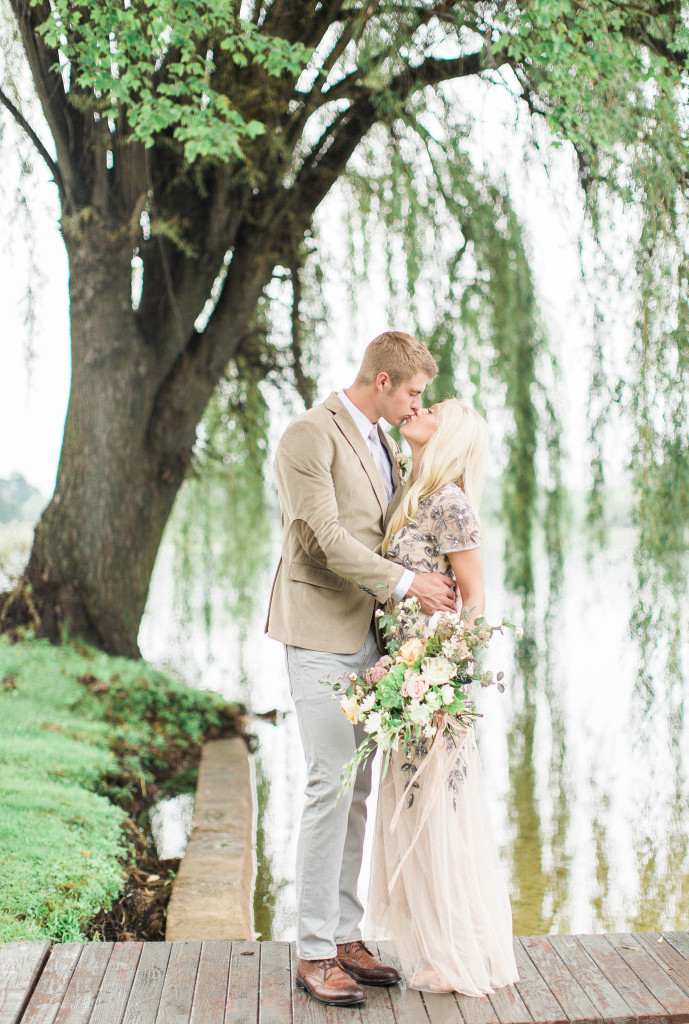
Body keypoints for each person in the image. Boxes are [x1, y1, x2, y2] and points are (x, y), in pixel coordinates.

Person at [266, 331, 457, 1008]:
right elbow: (321, 537)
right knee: (327, 783)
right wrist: (407, 584)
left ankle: (346, 936)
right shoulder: (307, 437)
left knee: (357, 791)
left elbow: (396, 521)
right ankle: (314, 951)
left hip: (372, 639)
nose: (415, 405)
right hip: (318, 632)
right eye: (411, 391)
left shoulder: (382, 442)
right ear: (381, 380)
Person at [367, 398, 520, 997]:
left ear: (450, 432)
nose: (418, 407)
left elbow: (475, 599)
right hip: (404, 683)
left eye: (432, 407)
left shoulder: (452, 501)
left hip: (430, 687)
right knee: (412, 814)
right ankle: (438, 946)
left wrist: (441, 669)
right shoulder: (414, 495)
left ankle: (458, 953)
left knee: (439, 815)